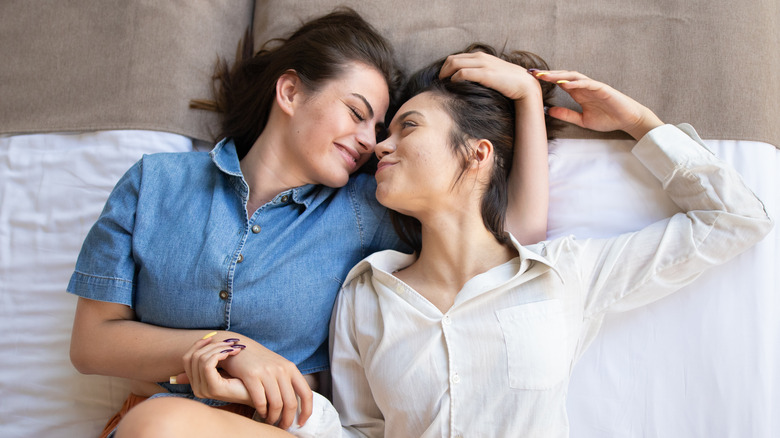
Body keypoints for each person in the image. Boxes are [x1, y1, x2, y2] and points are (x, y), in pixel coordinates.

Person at [66, 9, 552, 438]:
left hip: (284, 431)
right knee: (158, 426)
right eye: (357, 114)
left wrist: (528, 97)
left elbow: (510, 237)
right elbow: (91, 344)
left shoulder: (369, 210)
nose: (370, 141)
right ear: (291, 90)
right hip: (150, 425)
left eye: (379, 130)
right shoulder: (156, 183)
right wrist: (231, 350)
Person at [321, 63, 773, 436]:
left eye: (409, 127)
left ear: (477, 154)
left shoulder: (563, 276)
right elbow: (359, 430)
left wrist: (636, 122)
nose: (380, 146)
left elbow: (736, 218)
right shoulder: (365, 295)